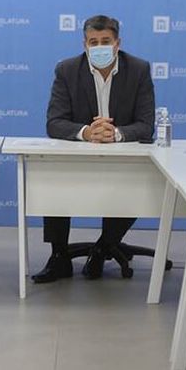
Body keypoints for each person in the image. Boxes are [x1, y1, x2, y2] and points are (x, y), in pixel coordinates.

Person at [34, 14, 155, 283]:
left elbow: (146, 125)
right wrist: (87, 132)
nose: (99, 46)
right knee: (53, 178)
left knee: (140, 181)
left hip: (123, 159)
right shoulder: (66, 70)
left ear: (117, 43)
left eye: (106, 41)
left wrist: (116, 133)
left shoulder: (138, 69)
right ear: (84, 44)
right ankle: (58, 257)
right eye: (93, 41)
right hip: (78, 158)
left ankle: (104, 247)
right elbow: (54, 123)